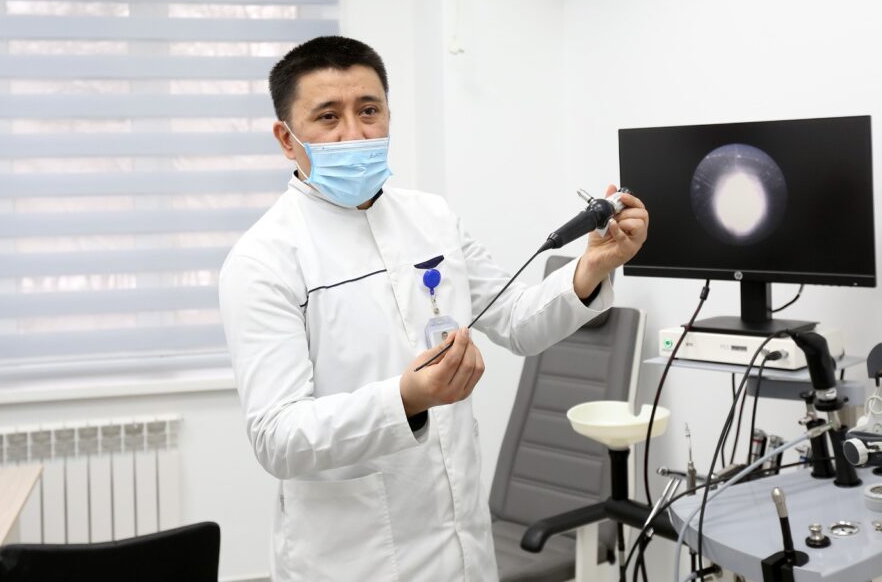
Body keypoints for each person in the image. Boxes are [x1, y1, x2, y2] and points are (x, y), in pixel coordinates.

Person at [219, 36, 649, 582]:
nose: (355, 133)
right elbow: (278, 438)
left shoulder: (433, 218)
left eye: (369, 111)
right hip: (353, 561)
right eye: (328, 117)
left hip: (463, 547)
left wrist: (591, 267)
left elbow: (516, 321)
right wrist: (406, 398)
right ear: (287, 138)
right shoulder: (263, 259)